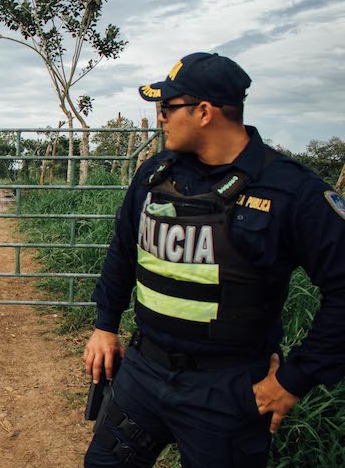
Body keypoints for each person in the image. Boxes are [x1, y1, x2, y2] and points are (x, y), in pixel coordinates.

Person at [82, 52, 345, 467]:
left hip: (227, 388)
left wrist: (293, 380)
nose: (161, 117)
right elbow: (123, 249)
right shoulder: (154, 173)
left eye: (168, 107)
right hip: (143, 371)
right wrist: (105, 325)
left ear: (204, 112)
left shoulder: (292, 192)